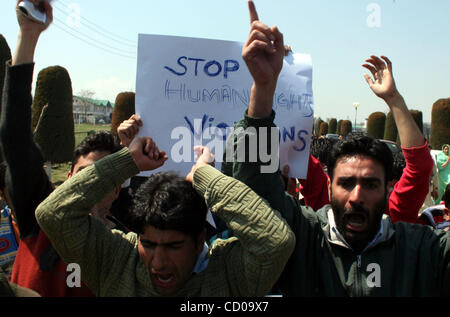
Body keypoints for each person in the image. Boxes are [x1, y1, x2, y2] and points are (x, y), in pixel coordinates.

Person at [222, 0, 450, 296]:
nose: (357, 196)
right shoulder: (301, 235)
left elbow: (419, 169)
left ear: (388, 188)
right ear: (328, 187)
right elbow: (256, 186)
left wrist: (394, 99)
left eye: (370, 184)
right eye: (346, 183)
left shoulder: (421, 249)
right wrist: (263, 88)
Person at [34, 131, 295, 296]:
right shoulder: (117, 261)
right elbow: (53, 213)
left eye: (173, 246)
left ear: (199, 239)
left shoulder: (227, 273)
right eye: (148, 244)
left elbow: (275, 241)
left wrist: (207, 177)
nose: (158, 263)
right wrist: (127, 161)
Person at [0, 0, 124, 296]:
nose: (89, 184)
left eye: (102, 177)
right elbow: (16, 139)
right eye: (83, 174)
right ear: (67, 178)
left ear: (117, 189)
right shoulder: (40, 214)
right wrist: (28, 34)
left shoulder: (129, 244)